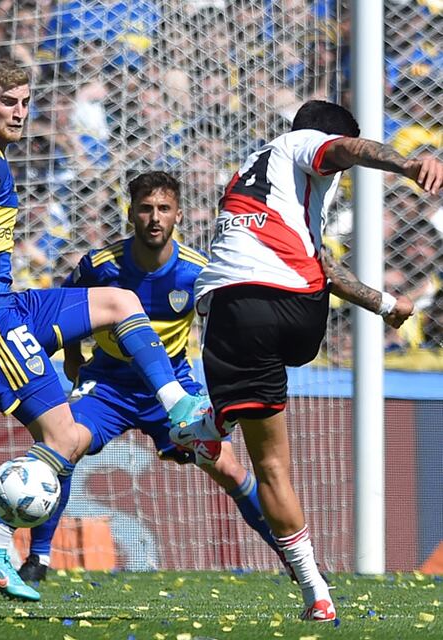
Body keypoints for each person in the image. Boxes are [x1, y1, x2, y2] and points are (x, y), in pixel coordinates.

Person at [0, 59, 209, 601]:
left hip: (7, 303)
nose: (20, 113)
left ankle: (176, 403)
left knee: (119, 302)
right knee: (64, 438)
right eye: (8, 103)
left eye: (25, 102)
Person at [173, 100, 443, 621]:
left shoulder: (258, 181)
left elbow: (322, 264)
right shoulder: (300, 145)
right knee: (271, 447)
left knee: (271, 469)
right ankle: (210, 423)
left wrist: (385, 304)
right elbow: (347, 149)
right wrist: (409, 164)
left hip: (237, 312)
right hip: (296, 312)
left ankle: (316, 590)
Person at [17, 171, 289, 584]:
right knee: (61, 444)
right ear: (131, 214)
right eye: (145, 208)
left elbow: (227, 327)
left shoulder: (197, 272)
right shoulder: (100, 265)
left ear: (178, 214)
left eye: (163, 208)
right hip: (109, 385)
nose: (154, 218)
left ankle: (290, 556)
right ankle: (38, 560)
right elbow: (62, 306)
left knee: (230, 468)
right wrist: (72, 355)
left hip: (172, 389)